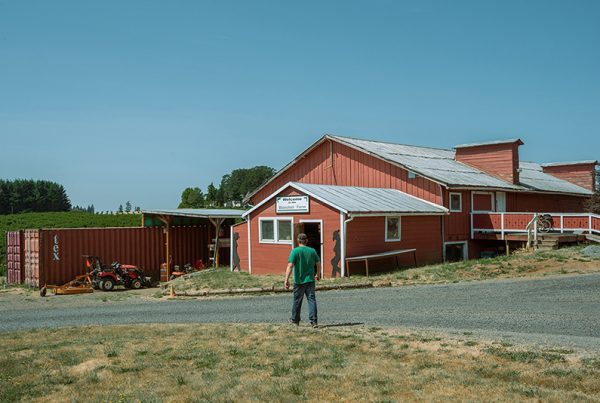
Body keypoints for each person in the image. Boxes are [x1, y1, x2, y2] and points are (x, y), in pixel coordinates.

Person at [285, 233, 320, 327]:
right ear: (306, 241)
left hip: (299, 281)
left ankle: (295, 321)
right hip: (310, 280)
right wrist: (318, 274)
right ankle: (314, 321)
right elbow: (318, 263)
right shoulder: (312, 251)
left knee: (297, 300)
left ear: (298, 240)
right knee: (311, 300)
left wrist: (286, 279)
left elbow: (290, 265)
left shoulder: (295, 251)